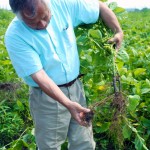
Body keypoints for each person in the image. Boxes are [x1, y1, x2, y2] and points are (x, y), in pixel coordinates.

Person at [5, 0, 123, 149]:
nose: (42, 24)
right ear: (19, 17)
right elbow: (39, 76)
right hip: (45, 97)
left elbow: (99, 7)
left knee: (84, 142)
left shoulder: (63, 4)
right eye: (33, 23)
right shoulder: (15, 35)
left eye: (45, 16)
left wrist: (118, 30)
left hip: (76, 88)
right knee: (50, 145)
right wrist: (68, 104)